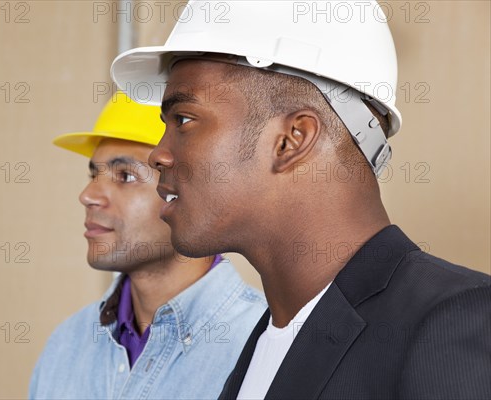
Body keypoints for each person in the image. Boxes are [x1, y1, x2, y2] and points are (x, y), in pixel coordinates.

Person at [110, 1, 491, 399]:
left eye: (184, 120)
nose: (157, 154)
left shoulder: (455, 321)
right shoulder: (264, 345)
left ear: (292, 140)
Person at [28, 92, 266, 399]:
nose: (88, 195)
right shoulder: (67, 346)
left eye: (125, 176)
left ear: (192, 192)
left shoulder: (261, 345)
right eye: (93, 174)